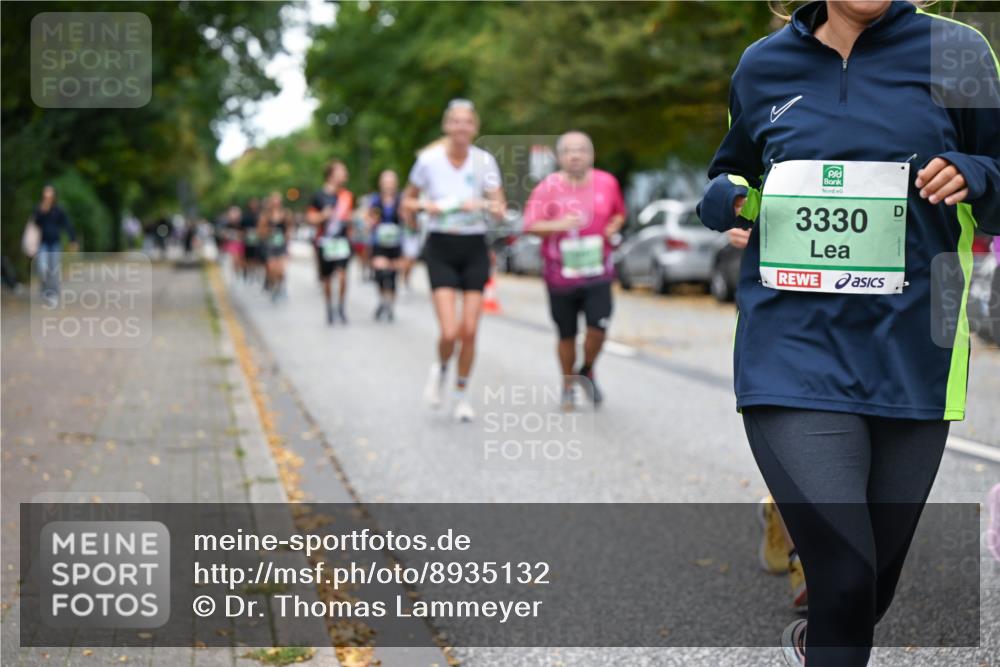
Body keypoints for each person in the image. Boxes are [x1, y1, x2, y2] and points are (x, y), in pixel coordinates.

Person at [697, 2, 999, 665]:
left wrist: (977, 174)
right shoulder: (762, 64)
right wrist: (722, 197)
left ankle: (818, 641)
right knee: (845, 574)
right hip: (791, 348)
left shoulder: (959, 52)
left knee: (865, 591)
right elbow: (731, 170)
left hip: (916, 350)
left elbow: (999, 173)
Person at [403, 99, 506, 422]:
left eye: (467, 122)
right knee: (449, 333)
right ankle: (442, 368)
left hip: (474, 247)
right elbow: (407, 201)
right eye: (456, 122)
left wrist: (487, 206)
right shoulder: (428, 161)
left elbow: (500, 206)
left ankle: (461, 394)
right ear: (447, 126)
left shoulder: (484, 161)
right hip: (441, 247)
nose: (461, 127)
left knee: (470, 331)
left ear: (474, 127)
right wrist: (424, 209)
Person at [523, 131, 625, 410]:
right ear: (560, 157)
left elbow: (619, 213)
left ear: (591, 155)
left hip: (598, 273)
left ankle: (587, 369)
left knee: (598, 329)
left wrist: (615, 225)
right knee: (566, 336)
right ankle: (568, 384)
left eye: (581, 150)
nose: (575, 155)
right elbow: (529, 225)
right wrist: (560, 225)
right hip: (560, 276)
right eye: (569, 150)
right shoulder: (547, 187)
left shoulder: (607, 183)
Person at [307, 160, 354, 324]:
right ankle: (329, 306)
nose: (345, 175)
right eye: (342, 171)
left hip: (341, 241)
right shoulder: (319, 195)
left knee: (342, 275)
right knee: (327, 278)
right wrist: (322, 216)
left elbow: (349, 217)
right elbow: (310, 218)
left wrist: (351, 220)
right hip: (325, 241)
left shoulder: (346, 196)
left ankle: (341, 306)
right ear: (331, 174)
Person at [366, 170, 405, 322]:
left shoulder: (400, 200)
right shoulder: (375, 200)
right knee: (381, 274)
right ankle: (383, 299)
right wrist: (370, 222)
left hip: (396, 242)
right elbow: (370, 218)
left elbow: (407, 220)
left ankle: (390, 305)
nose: (388, 185)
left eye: (391, 182)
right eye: (386, 182)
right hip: (379, 242)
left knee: (393, 276)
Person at [30, 185, 77, 305]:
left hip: (55, 244)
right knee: (42, 268)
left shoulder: (59, 210)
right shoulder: (38, 209)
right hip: (42, 244)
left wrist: (73, 240)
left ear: (54, 197)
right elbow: (35, 224)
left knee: (54, 270)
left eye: (50, 196)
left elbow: (67, 224)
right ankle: (44, 290)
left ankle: (53, 294)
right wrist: (42, 212)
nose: (48, 198)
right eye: (45, 195)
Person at [259, 191, 292, 301]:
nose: (276, 202)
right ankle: (272, 286)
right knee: (272, 269)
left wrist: (287, 236)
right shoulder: (265, 215)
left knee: (281, 270)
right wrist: (268, 231)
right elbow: (261, 232)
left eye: (278, 200)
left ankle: (280, 287)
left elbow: (289, 228)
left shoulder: (285, 213)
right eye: (274, 200)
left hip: (281, 245)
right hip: (270, 245)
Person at [241, 197, 263, 282]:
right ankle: (247, 270)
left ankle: (254, 272)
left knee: (256, 257)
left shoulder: (260, 214)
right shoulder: (246, 215)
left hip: (257, 239)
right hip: (248, 239)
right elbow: (242, 227)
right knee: (248, 257)